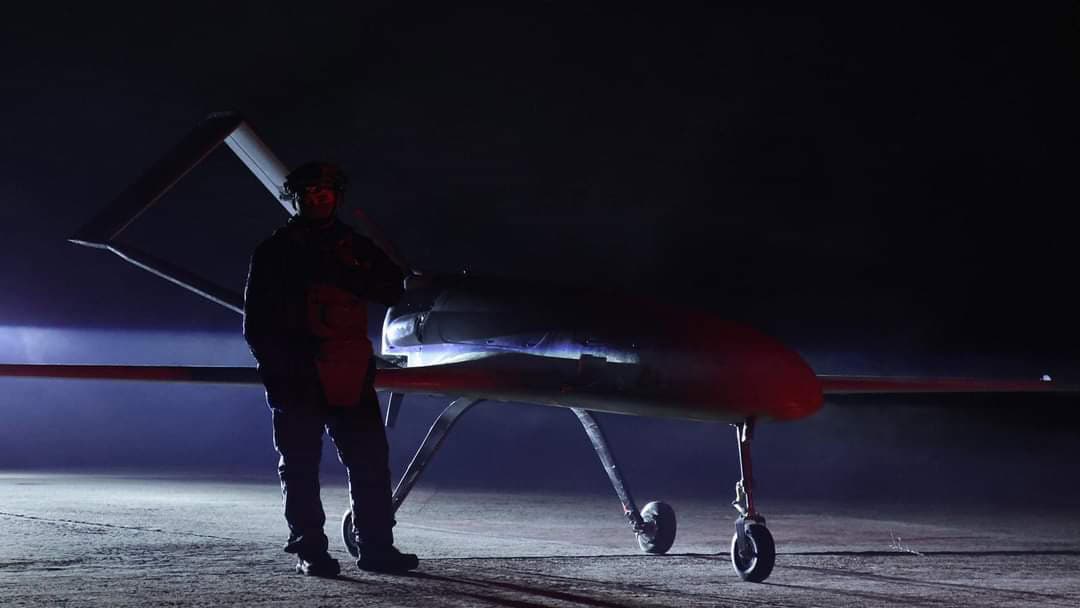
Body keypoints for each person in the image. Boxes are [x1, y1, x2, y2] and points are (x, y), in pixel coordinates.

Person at [243, 161, 419, 577]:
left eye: (325, 191)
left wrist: (344, 274)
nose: (319, 197)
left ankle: (376, 548)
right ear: (297, 197)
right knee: (300, 467)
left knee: (370, 464)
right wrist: (277, 373)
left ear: (336, 196)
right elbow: (256, 323)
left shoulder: (354, 247)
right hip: (297, 375)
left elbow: (394, 287)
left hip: (349, 372)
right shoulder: (274, 250)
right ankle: (311, 551)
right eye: (310, 192)